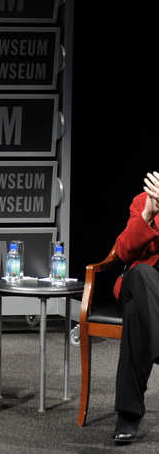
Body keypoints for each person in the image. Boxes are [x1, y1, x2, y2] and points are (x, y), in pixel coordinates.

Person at [111, 171, 159, 444]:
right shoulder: (143, 200)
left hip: (147, 303)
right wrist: (146, 216)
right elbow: (124, 251)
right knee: (140, 275)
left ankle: (128, 414)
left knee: (134, 314)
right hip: (138, 282)